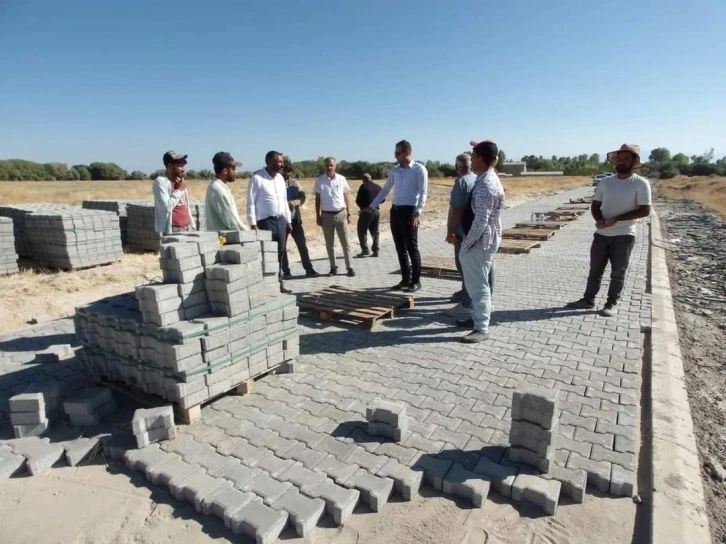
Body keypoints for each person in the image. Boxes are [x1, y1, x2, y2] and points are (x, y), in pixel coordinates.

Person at [566, 144, 651, 317]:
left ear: (633, 161)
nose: (621, 161)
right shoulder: (605, 182)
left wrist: (616, 220)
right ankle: (588, 300)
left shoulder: (641, 184)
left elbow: (645, 210)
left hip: (624, 235)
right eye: (619, 158)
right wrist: (599, 220)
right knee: (595, 270)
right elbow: (595, 205)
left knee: (618, 271)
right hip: (601, 234)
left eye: (626, 158)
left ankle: (611, 303)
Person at [457, 140, 505, 343]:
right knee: (476, 284)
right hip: (481, 241)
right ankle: (477, 319)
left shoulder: (486, 184)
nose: (470, 160)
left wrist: (466, 245)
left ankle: (481, 328)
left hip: (479, 242)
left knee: (479, 287)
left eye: (473, 156)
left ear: (482, 159)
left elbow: (481, 220)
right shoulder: (485, 178)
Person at [365, 140, 428, 292]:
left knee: (412, 248)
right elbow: (386, 189)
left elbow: (423, 192)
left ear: (407, 153)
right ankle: (405, 280)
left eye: (398, 153)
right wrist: (372, 205)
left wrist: (417, 212)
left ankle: (416, 281)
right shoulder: (395, 170)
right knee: (400, 248)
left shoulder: (419, 169)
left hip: (410, 212)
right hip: (396, 210)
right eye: (395, 153)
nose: (395, 156)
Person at [247, 151, 293, 294]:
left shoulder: (280, 178)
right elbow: (250, 202)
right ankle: (264, 284)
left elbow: (284, 201)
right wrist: (253, 224)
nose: (281, 164)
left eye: (282, 161)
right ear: (269, 162)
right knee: (266, 253)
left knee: (280, 252)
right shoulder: (257, 178)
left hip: (281, 221)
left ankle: (278, 282)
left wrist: (288, 220)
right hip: (265, 222)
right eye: (278, 161)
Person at [445, 154, 478, 317]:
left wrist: (450, 230)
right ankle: (466, 293)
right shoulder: (477, 179)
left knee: (462, 265)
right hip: (474, 230)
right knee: (470, 266)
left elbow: (457, 210)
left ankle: (467, 300)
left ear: (458, 166)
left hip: (461, 231)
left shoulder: (461, 182)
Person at [314, 157, 355, 277]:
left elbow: (346, 196)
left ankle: (350, 267)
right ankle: (333, 267)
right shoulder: (319, 180)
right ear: (324, 166)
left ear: (335, 166)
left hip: (341, 214)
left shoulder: (341, 179)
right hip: (326, 215)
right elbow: (317, 199)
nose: (329, 167)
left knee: (345, 242)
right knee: (329, 244)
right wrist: (318, 215)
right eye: (327, 165)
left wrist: (348, 213)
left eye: (331, 165)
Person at [281, 158, 320, 278]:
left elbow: (303, 197)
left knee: (302, 246)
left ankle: (309, 269)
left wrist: (296, 202)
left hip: (295, 220)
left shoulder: (295, 183)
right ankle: (285, 272)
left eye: (288, 171)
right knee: (282, 248)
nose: (286, 174)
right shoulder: (273, 183)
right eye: (284, 171)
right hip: (281, 222)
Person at [153, 150, 196, 235]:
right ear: (169, 166)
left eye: (184, 166)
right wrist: (179, 190)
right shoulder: (160, 182)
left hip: (189, 227)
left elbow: (186, 206)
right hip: (174, 229)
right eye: (180, 166)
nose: (183, 169)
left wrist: (192, 225)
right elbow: (166, 207)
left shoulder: (180, 181)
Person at [205, 152, 249, 232]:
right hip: (225, 240)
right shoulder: (218, 189)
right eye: (233, 169)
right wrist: (250, 234)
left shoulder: (218, 186)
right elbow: (231, 221)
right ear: (225, 171)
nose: (236, 172)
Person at [355, 173, 383, 258]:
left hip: (366, 211)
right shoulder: (378, 187)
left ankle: (365, 250)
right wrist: (375, 204)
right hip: (376, 211)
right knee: (375, 231)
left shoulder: (363, 186)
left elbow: (358, 200)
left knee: (362, 231)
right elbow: (383, 199)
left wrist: (362, 207)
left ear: (363, 179)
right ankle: (376, 250)